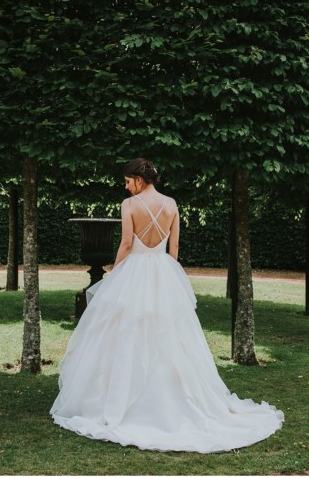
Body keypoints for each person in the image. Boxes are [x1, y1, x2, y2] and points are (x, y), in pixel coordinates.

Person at [50, 158, 284, 453]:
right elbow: (174, 250)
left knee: (124, 333)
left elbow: (125, 244)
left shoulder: (129, 205)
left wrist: (113, 274)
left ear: (138, 179)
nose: (125, 186)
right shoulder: (172, 205)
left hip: (134, 270)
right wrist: (166, 280)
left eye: (127, 181)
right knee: (170, 337)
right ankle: (172, 397)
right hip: (163, 271)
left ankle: (121, 398)